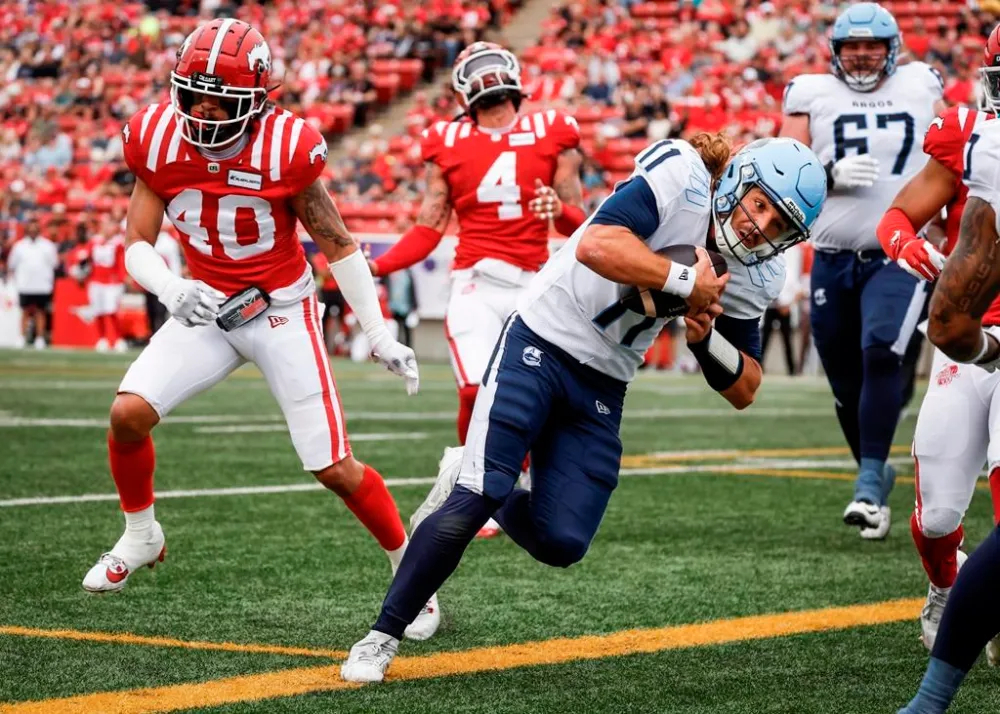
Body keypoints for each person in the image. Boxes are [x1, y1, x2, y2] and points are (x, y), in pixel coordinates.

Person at [340, 135, 827, 682]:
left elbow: (746, 387)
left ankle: (464, 469)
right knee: (485, 488)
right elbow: (596, 243)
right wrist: (685, 281)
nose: (760, 226)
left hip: (605, 378)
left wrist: (704, 338)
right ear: (738, 179)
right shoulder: (684, 178)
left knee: (561, 540)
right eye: (760, 204)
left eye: (780, 225)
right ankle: (381, 636)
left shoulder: (756, 274)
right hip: (543, 337)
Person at [79, 18, 439, 642]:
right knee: (127, 415)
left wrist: (377, 332)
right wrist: (169, 287)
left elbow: (337, 243)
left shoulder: (286, 146)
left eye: (221, 98)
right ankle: (142, 535)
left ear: (258, 100)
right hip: (205, 307)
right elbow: (136, 240)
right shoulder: (156, 136)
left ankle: (413, 573)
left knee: (332, 466)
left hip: (280, 309)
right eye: (193, 94)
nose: (205, 110)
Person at [369, 41, 586, 538]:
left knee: (534, 398)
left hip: (535, 283)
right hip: (476, 281)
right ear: (463, 87)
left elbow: (579, 219)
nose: (488, 78)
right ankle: (479, 488)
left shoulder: (553, 130)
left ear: (513, 73)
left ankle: (519, 478)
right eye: (478, 71)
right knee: (474, 387)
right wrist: (378, 267)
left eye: (494, 68)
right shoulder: (445, 139)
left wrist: (562, 211)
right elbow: (428, 226)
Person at [780, 2, 946, 539]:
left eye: (872, 45)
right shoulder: (810, 92)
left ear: (891, 48)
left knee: (879, 350)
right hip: (831, 257)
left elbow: (948, 155)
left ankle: (869, 490)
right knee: (845, 382)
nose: (862, 55)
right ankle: (875, 467)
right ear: (835, 50)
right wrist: (825, 174)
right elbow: (780, 170)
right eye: (852, 46)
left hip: (899, 252)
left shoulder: (922, 84)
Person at [877, 25, 1000, 668]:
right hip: (966, 333)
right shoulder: (968, 134)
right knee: (937, 514)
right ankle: (945, 587)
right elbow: (897, 215)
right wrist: (910, 244)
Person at [7, 216, 58, 349]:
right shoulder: (20, 246)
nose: (33, 231)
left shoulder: (47, 245)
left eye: (35, 228)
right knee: (25, 311)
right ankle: (22, 337)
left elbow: (54, 263)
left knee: (40, 311)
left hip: (42, 285)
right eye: (31, 228)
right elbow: (12, 264)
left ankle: (40, 338)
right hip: (25, 284)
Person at [86, 219, 127, 352]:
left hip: (112, 282)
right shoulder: (94, 241)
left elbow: (121, 261)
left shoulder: (118, 242)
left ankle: (118, 339)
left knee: (112, 311)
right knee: (98, 310)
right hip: (96, 280)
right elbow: (88, 259)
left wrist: (122, 278)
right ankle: (101, 339)